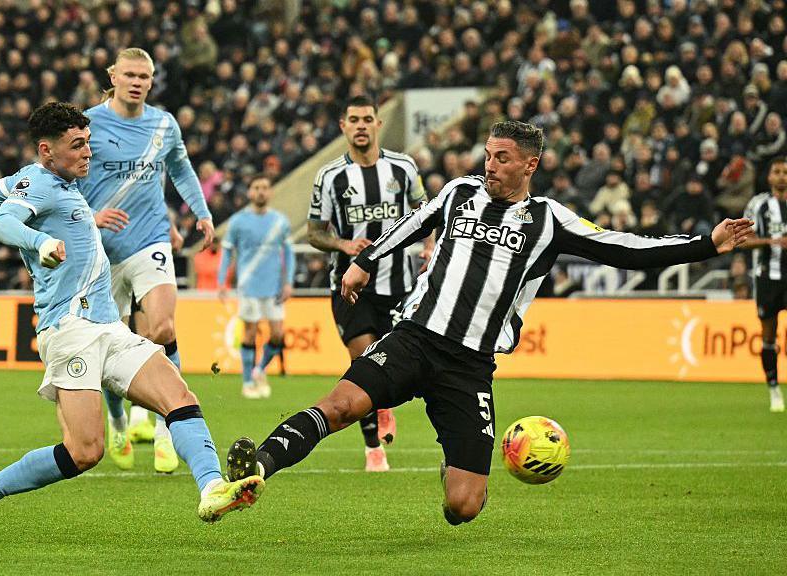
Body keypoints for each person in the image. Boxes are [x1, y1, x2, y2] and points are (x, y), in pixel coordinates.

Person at [226, 120, 752, 526]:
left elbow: (624, 249)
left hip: (469, 367)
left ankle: (456, 464)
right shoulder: (459, 194)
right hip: (413, 338)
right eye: (487, 155)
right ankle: (259, 467)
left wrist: (706, 245)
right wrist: (365, 261)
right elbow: (412, 224)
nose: (490, 165)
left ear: (530, 165)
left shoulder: (550, 221)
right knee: (340, 405)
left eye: (502, 158)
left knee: (462, 507)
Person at [0, 102, 262, 545]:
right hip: (70, 330)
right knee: (85, 451)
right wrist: (41, 242)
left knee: (179, 395)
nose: (87, 153)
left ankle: (211, 488)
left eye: (88, 142)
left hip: (109, 327)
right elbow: (1, 222)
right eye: (77, 145)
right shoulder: (39, 183)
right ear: (47, 150)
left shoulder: (42, 178)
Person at [82, 47, 215, 473]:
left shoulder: (163, 124)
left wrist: (201, 211)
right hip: (101, 252)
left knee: (162, 327)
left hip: (150, 240)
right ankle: (118, 421)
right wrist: (90, 216)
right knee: (112, 345)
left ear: (152, 80)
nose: (138, 82)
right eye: (130, 74)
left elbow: (181, 168)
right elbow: (63, 181)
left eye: (145, 76)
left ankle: (165, 426)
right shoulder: (87, 124)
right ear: (113, 76)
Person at [306, 94, 434, 472]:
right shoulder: (330, 176)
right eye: (353, 119)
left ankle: (385, 406)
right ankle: (372, 448)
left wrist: (429, 250)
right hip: (350, 285)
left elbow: (427, 214)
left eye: (367, 119)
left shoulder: (404, 168)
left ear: (378, 124)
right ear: (343, 126)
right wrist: (344, 244)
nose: (361, 125)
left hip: (399, 285)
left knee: (394, 365)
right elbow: (315, 231)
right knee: (362, 361)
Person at [217, 175, 294, 399]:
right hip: (248, 286)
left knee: (278, 335)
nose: (261, 192)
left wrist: (288, 281)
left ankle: (259, 370)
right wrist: (222, 282)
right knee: (250, 334)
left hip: (274, 288)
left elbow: (289, 253)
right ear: (250, 192)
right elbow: (227, 252)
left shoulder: (281, 221)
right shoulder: (238, 221)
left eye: (265, 187)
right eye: (257, 188)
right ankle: (248, 382)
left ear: (270, 192)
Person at [740, 156, 787, 412]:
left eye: (785, 172)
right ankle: (773, 388)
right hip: (768, 277)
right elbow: (742, 240)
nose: (781, 176)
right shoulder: (758, 205)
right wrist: (771, 242)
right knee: (769, 334)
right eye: (777, 172)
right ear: (769, 177)